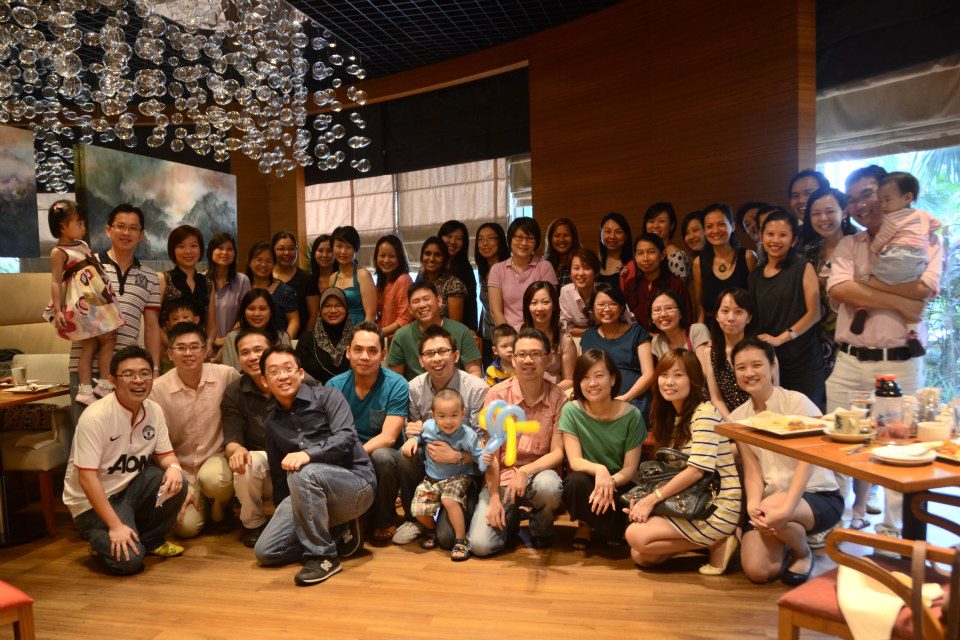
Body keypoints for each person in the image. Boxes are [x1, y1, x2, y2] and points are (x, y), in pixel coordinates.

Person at [826, 164, 941, 539]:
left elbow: (925, 288)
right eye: (852, 199)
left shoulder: (926, 236)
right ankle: (836, 519)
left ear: (890, 193)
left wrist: (869, 287)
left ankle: (895, 530)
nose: (860, 205)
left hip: (900, 363)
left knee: (901, 444)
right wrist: (902, 303)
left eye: (868, 194)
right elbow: (841, 290)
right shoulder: (849, 245)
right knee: (838, 442)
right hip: (848, 360)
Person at [254, 345, 376, 586]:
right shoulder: (272, 423)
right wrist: (285, 516)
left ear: (300, 373)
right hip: (305, 493)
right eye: (274, 372)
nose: (283, 376)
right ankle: (336, 532)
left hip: (355, 484)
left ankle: (323, 556)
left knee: (302, 471)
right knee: (266, 552)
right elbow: (278, 476)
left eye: (288, 369)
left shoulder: (328, 396)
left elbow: (346, 438)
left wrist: (307, 454)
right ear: (265, 381)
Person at [62, 346, 189, 575]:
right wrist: (115, 526)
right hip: (91, 503)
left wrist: (173, 467)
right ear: (113, 381)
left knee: (176, 481)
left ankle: (151, 540)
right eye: (128, 374)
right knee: (129, 562)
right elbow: (87, 479)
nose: (138, 380)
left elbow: (165, 454)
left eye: (145, 373)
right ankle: (99, 537)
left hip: (129, 488)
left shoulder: (153, 410)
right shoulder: (95, 416)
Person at [730, 338, 842, 585]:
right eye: (741, 367)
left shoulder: (797, 403)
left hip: (817, 496)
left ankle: (803, 552)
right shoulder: (738, 417)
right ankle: (788, 537)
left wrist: (786, 509)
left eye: (757, 365)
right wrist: (753, 505)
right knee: (759, 571)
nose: (749, 373)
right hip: (770, 502)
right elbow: (752, 470)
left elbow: (807, 461)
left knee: (773, 509)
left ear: (773, 366)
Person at [623, 349, 741, 574]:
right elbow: (670, 471)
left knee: (636, 536)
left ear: (693, 380)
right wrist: (646, 502)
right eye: (664, 375)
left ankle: (720, 538)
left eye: (678, 375)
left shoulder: (705, 413)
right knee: (641, 556)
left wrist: (651, 500)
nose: (669, 382)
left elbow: (696, 471)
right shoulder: (670, 416)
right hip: (689, 500)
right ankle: (710, 542)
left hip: (715, 504)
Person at [469, 327, 567, 556]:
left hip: (540, 474)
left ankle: (540, 531)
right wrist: (494, 498)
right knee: (481, 546)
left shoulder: (558, 398)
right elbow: (491, 453)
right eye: (521, 354)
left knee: (548, 487)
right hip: (502, 477)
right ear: (513, 359)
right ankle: (510, 519)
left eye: (536, 354)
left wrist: (525, 471)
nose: (528, 360)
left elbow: (558, 453)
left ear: (548, 359)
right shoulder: (497, 396)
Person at [393, 324, 489, 547]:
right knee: (404, 455)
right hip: (432, 466)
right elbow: (416, 429)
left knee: (447, 538)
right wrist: (412, 435)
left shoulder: (476, 388)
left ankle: (447, 525)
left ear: (456, 355)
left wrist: (456, 456)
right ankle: (416, 519)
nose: (436, 358)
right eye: (429, 353)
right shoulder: (414, 388)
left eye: (443, 351)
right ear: (421, 360)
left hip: (465, 471)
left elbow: (482, 442)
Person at [67, 204, 161, 426]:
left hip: (127, 372)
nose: (126, 233)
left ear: (141, 234)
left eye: (133, 228)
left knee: (122, 435)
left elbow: (151, 327)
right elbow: (71, 307)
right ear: (108, 230)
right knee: (85, 433)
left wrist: (155, 369)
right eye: (120, 226)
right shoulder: (87, 264)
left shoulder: (150, 277)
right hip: (85, 369)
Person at [150, 322, 239, 538]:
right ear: (169, 353)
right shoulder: (157, 390)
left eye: (194, 347)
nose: (188, 353)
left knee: (215, 481)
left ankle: (219, 507)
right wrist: (180, 482)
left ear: (206, 350)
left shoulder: (226, 375)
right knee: (185, 529)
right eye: (181, 348)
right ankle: (203, 502)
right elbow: (155, 445)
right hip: (180, 468)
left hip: (217, 462)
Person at [326, 322, 410, 542]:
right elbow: (331, 432)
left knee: (382, 457)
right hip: (345, 452)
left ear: (383, 354)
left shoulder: (396, 384)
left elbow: (389, 437)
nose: (365, 357)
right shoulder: (334, 386)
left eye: (372, 350)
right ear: (348, 352)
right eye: (358, 349)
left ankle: (385, 519)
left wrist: (356, 454)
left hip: (383, 454)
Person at [561, 349, 645, 548]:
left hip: (621, 482)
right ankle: (588, 525)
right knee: (574, 484)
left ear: (613, 379)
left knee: (627, 497)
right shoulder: (571, 410)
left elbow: (630, 469)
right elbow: (575, 461)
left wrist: (610, 481)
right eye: (585, 377)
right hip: (589, 479)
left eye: (599, 375)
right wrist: (600, 470)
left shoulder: (632, 415)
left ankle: (607, 528)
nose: (592, 383)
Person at [850, 171, 941, 351]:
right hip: (917, 262)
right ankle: (912, 333)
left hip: (894, 258)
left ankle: (863, 307)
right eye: (882, 200)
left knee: (868, 279)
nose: (883, 205)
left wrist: (865, 279)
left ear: (907, 197)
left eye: (886, 200)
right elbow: (839, 290)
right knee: (914, 308)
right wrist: (907, 301)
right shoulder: (923, 216)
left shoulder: (891, 220)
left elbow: (924, 290)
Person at [44, 200, 121, 405]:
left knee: (95, 343)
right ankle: (97, 385)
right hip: (83, 303)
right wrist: (58, 310)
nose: (83, 227)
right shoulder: (58, 252)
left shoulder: (83, 245)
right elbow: (55, 281)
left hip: (96, 298)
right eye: (79, 223)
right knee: (104, 340)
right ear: (62, 226)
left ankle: (91, 388)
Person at [749, 209, 825, 409]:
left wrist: (781, 338)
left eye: (783, 235)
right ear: (761, 236)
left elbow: (814, 314)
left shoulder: (803, 267)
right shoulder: (755, 275)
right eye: (770, 234)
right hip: (772, 364)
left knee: (806, 420)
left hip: (803, 363)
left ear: (793, 240)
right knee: (774, 421)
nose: (775, 240)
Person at [402, 389, 483, 561]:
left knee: (448, 500)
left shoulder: (468, 435)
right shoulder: (428, 426)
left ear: (463, 414)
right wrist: (412, 440)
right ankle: (431, 530)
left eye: (454, 415)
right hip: (432, 479)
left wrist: (484, 458)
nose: (448, 421)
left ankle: (461, 540)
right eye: (442, 416)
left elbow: (479, 458)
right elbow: (419, 436)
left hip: (459, 477)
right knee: (417, 507)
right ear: (433, 416)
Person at [220, 329, 280, 548]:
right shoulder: (234, 391)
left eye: (258, 350)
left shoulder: (296, 380)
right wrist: (236, 450)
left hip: (296, 457)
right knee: (246, 461)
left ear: (271, 350)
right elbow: (232, 436)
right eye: (245, 353)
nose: (253, 357)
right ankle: (253, 523)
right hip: (262, 465)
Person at [802, 187, 857, 378]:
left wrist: (823, 282)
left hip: (854, 335)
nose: (823, 218)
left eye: (830, 211)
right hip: (816, 339)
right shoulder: (809, 250)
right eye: (816, 213)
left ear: (844, 211)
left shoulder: (860, 243)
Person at [580, 283, 655, 413]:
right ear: (592, 308)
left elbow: (649, 374)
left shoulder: (637, 333)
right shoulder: (588, 337)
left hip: (635, 400)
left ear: (621, 308)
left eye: (613, 304)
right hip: (598, 400)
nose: (607, 309)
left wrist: (626, 397)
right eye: (601, 304)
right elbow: (584, 373)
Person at [386, 281, 483, 380]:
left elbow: (474, 372)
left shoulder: (461, 331)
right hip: (416, 389)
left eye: (426, 299)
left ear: (439, 301)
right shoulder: (401, 336)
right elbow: (394, 378)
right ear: (410, 309)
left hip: (456, 388)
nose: (422, 305)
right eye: (416, 301)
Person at [489, 217, 557, 330]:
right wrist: (508, 335)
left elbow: (548, 307)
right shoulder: (497, 270)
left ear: (536, 242)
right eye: (519, 237)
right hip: (508, 333)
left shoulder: (545, 267)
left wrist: (532, 335)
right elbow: (496, 312)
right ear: (510, 239)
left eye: (530, 238)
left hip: (539, 332)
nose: (524, 243)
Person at [692, 204, 757, 321]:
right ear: (705, 230)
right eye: (709, 226)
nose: (715, 230)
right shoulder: (699, 263)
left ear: (732, 227)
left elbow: (756, 298)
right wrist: (699, 328)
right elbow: (699, 304)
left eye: (721, 224)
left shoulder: (748, 257)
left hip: (744, 325)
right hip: (712, 326)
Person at [159, 225, 217, 354]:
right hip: (167, 353)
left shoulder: (208, 283)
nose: (188, 251)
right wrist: (173, 347)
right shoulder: (163, 279)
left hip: (198, 352)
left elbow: (211, 327)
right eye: (181, 246)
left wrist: (208, 343)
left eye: (193, 246)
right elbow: (153, 323)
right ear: (173, 250)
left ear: (200, 249)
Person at [620, 233, 694, 332]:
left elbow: (688, 320)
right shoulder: (630, 284)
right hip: (640, 339)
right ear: (635, 257)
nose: (645, 258)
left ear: (662, 255)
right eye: (640, 253)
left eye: (651, 252)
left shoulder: (676, 284)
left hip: (671, 338)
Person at [702, 288, 756, 420]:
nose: (731, 318)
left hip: (761, 420)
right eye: (725, 311)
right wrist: (733, 423)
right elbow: (717, 399)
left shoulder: (761, 351)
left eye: (738, 312)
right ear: (716, 315)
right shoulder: (710, 353)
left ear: (749, 318)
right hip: (728, 421)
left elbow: (772, 395)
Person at [220, 288, 292, 371]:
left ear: (271, 312)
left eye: (262, 309)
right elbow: (229, 372)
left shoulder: (282, 337)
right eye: (251, 309)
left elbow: (290, 369)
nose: (257, 313)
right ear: (244, 312)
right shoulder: (232, 337)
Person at [521, 281, 575, 390]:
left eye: (545, 302)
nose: (540, 308)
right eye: (534, 303)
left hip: (553, 392)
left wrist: (547, 392)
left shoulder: (565, 340)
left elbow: (569, 381)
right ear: (528, 307)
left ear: (554, 305)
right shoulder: (520, 336)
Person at [296, 287, 355, 383]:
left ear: (346, 308)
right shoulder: (307, 339)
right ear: (320, 310)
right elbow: (297, 372)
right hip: (315, 391)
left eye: (338, 305)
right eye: (327, 306)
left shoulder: (357, 338)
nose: (333, 310)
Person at [205, 232, 250, 356]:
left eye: (229, 249)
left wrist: (227, 340)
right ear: (211, 252)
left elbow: (245, 315)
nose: (225, 252)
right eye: (220, 248)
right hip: (205, 345)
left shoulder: (242, 281)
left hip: (234, 345)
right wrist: (212, 339)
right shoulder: (200, 280)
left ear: (234, 253)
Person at [245, 242, 299, 338]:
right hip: (246, 341)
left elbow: (294, 321)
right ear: (249, 262)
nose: (263, 264)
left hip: (277, 341)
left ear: (274, 264)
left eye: (269, 261)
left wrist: (285, 342)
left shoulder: (285, 291)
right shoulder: (242, 287)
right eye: (259, 260)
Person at [475, 222, 511, 366]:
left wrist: (503, 338)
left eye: (490, 238)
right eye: (480, 239)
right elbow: (485, 307)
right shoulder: (483, 270)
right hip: (486, 336)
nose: (485, 243)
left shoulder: (508, 269)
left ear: (500, 241)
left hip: (502, 335)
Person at [272, 231, 318, 339]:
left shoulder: (307, 278)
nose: (286, 253)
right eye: (281, 249)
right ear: (273, 250)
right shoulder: (266, 277)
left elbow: (314, 315)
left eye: (291, 249)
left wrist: (305, 340)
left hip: (300, 338)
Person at [329, 225, 377, 324]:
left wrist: (361, 333)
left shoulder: (363, 275)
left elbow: (371, 315)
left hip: (359, 328)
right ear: (332, 247)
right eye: (339, 246)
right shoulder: (332, 278)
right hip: (337, 329)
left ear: (355, 250)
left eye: (348, 247)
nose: (343, 251)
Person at [415, 236, 467, 322]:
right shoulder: (420, 281)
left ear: (444, 259)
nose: (431, 259)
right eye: (428, 254)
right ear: (422, 256)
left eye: (437, 255)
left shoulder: (454, 284)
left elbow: (455, 326)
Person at [439, 220, 479, 332]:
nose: (452, 242)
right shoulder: (429, 266)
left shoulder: (465, 269)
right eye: (448, 236)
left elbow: (471, 304)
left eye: (458, 238)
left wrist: (472, 330)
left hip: (457, 330)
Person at [649, 290, 709, 360]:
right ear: (652, 318)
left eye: (668, 308)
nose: (663, 314)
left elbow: (704, 366)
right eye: (657, 310)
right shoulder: (657, 342)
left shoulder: (697, 330)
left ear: (680, 313)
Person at [373, 234, 413, 338]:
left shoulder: (404, 280)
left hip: (399, 341)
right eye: (382, 255)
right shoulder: (381, 282)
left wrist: (377, 333)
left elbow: (404, 320)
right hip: (384, 340)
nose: (386, 260)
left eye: (392, 256)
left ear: (400, 258)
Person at [643, 202, 690, 280]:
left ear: (672, 225)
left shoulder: (676, 256)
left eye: (661, 221)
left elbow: (680, 287)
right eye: (651, 221)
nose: (655, 226)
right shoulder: (643, 255)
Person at [597, 212, 632, 295]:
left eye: (618, 232)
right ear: (601, 234)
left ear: (626, 236)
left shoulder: (633, 263)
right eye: (608, 231)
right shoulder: (595, 262)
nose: (612, 236)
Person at [306, 234, 335, 331]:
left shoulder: (341, 277)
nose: (324, 255)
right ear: (314, 254)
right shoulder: (310, 281)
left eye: (329, 251)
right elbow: (314, 316)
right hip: (319, 331)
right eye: (320, 250)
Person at [544, 217, 581, 287]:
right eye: (557, 235)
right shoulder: (545, 265)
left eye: (566, 235)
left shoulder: (582, 263)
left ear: (574, 238)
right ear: (550, 239)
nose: (561, 239)